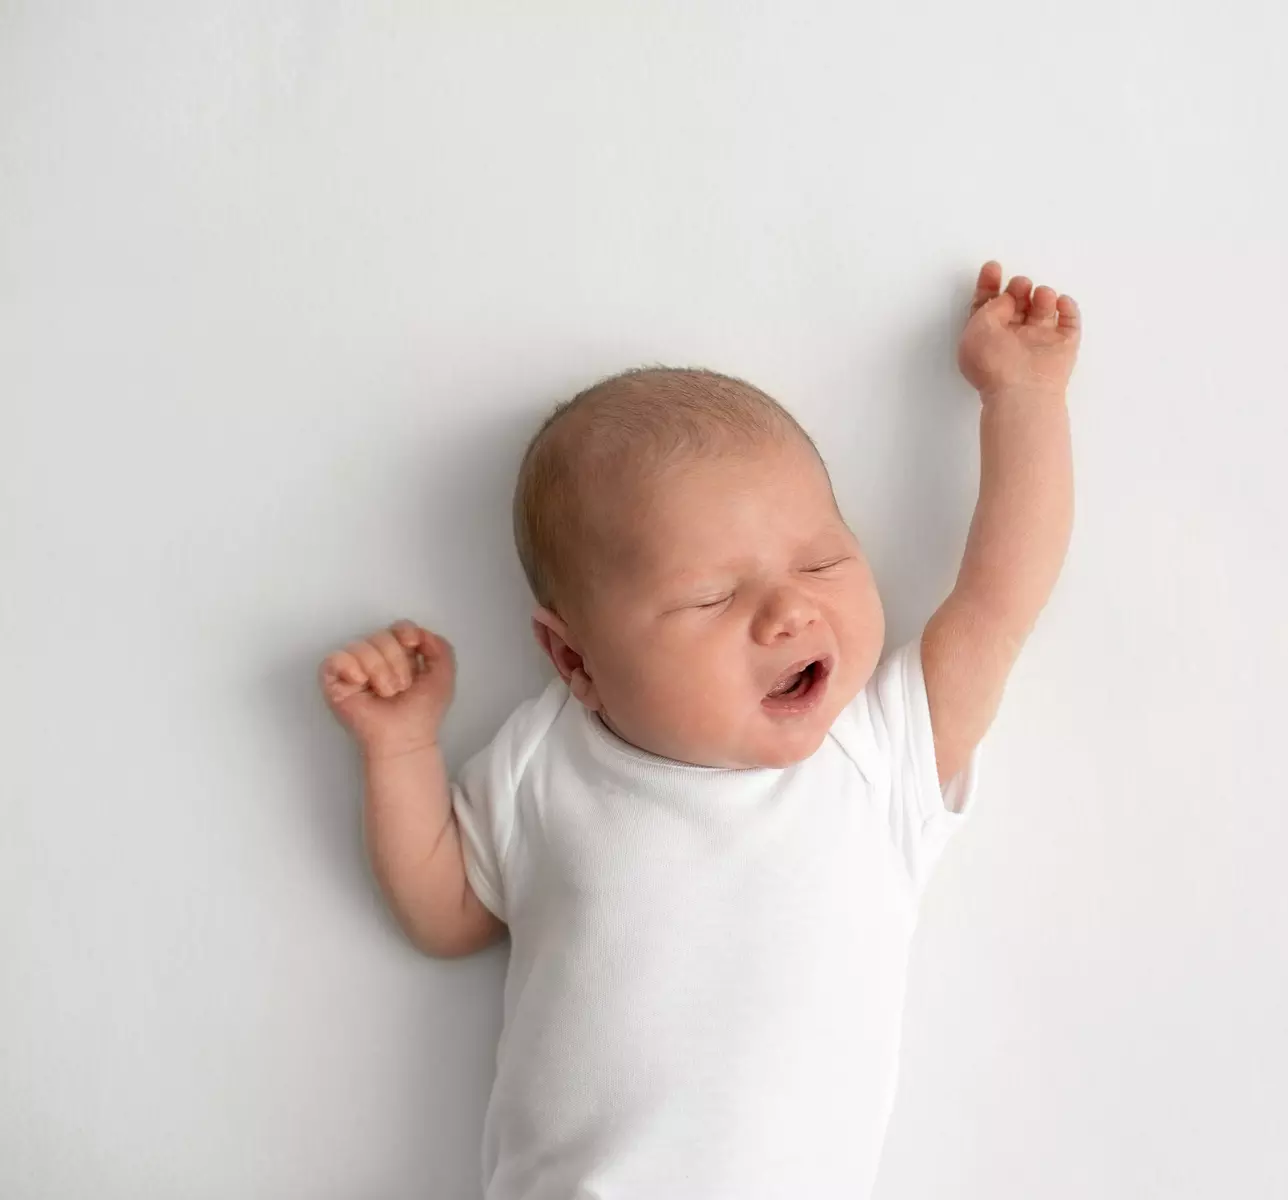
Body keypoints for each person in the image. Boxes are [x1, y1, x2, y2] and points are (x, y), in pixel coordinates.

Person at [318, 260, 1080, 1199]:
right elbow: (445, 915)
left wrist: (1024, 395)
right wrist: (399, 750)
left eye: (821, 562)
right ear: (576, 662)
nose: (788, 615)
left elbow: (999, 599)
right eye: (712, 597)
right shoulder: (544, 762)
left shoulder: (875, 752)